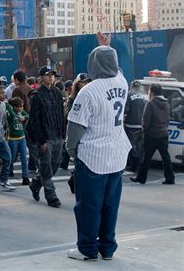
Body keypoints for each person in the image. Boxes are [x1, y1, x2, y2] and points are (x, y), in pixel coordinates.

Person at [66, 34, 132, 261]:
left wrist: (72, 151)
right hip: (117, 154)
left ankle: (87, 249)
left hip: (93, 156)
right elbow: (117, 67)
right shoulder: (122, 82)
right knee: (110, 205)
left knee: (88, 207)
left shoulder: (88, 91)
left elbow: (75, 127)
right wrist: (107, 47)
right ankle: (107, 248)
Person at [27, 66, 65, 208]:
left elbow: (61, 114)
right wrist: (41, 139)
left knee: (54, 164)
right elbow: (35, 120)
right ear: (41, 77)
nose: (51, 77)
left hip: (58, 134)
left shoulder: (57, 92)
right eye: (48, 75)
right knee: (45, 165)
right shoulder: (36, 95)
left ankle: (36, 183)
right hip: (46, 136)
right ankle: (51, 195)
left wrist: (63, 133)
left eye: (53, 75)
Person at [131, 83, 175, 184]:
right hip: (163, 133)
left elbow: (146, 119)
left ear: (152, 92)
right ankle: (170, 178)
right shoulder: (167, 103)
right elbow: (168, 118)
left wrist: (144, 130)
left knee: (145, 157)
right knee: (166, 157)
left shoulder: (150, 103)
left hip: (151, 134)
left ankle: (141, 178)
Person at [60, 73, 92, 171]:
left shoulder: (91, 94)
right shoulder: (72, 97)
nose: (85, 84)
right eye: (83, 82)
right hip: (75, 125)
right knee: (71, 146)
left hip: (88, 127)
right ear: (78, 84)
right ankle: (64, 164)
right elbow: (67, 113)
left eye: (87, 82)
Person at [123, 81, 147, 172]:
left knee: (130, 145)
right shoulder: (144, 96)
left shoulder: (129, 96)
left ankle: (134, 165)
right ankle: (138, 165)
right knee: (139, 146)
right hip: (142, 125)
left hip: (131, 125)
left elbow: (126, 110)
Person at [6, 97, 30, 185]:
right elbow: (12, 115)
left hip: (22, 137)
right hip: (12, 139)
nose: (21, 108)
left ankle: (25, 177)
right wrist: (8, 105)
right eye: (19, 107)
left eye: (22, 106)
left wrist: (24, 117)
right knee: (12, 158)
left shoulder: (21, 112)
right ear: (14, 107)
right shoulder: (10, 112)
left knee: (24, 158)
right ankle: (9, 170)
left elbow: (28, 115)